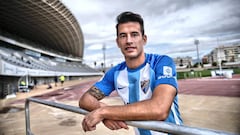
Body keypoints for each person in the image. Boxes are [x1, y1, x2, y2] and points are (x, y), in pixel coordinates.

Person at [79, 11, 183, 135]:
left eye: (134, 34)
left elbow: (159, 109)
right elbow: (85, 100)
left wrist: (103, 112)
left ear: (144, 39)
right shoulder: (115, 73)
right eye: (123, 36)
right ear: (117, 42)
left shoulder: (161, 62)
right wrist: (106, 115)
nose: (129, 41)